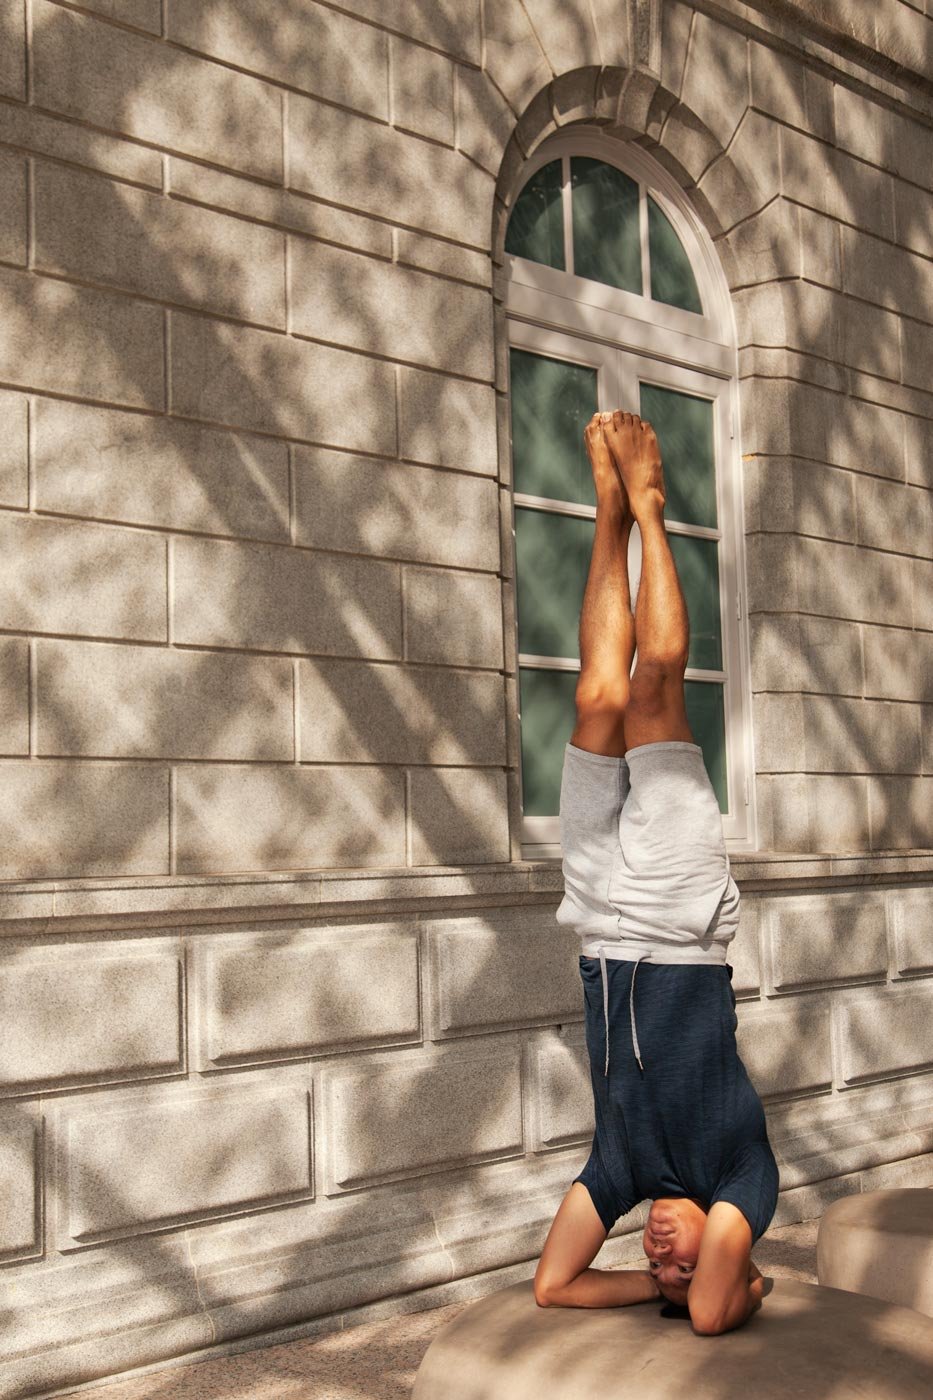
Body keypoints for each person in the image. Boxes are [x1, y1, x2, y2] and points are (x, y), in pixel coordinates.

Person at [532, 409, 779, 1336]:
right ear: (729, 1245)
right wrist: (727, 1289)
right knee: (650, 692)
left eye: (656, 1266)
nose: (660, 1255)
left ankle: (606, 515)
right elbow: (713, 1315)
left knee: (597, 696)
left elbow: (555, 1285)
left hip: (598, 917)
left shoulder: (623, 1170)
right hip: (678, 920)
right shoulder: (739, 1174)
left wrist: (652, 1292)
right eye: (684, 1263)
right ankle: (649, 505)